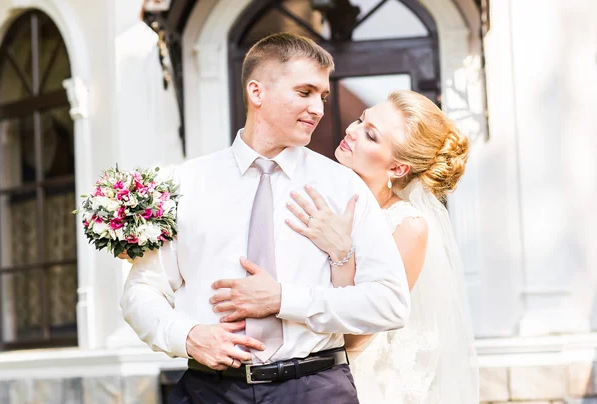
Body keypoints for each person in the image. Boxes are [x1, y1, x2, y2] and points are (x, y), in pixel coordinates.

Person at [120, 33, 410, 403]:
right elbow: (141, 290)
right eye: (304, 92)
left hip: (315, 388)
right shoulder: (186, 183)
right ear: (257, 93)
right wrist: (188, 334)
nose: (319, 109)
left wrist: (283, 299)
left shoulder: (343, 187)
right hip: (210, 390)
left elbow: (390, 303)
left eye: (322, 96)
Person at [284, 90, 479, 403]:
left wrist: (340, 255)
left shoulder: (406, 226)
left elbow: (358, 337)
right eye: (361, 119)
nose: (351, 130)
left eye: (370, 135)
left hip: (359, 384)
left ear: (398, 168)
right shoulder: (322, 196)